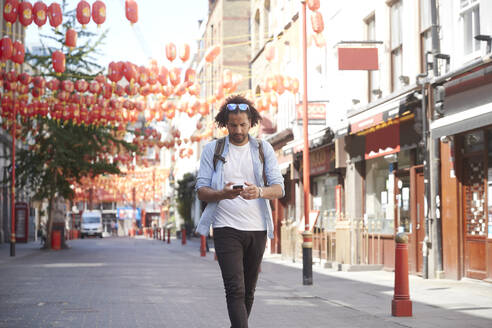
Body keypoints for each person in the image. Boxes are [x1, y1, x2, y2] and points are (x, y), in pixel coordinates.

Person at [195, 94, 284, 328]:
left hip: (258, 228)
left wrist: (260, 192)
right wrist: (222, 194)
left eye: (243, 124)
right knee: (235, 288)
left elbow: (279, 188)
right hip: (226, 228)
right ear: (225, 123)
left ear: (251, 122)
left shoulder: (264, 149)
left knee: (248, 291)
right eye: (233, 125)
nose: (237, 130)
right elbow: (201, 191)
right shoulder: (212, 150)